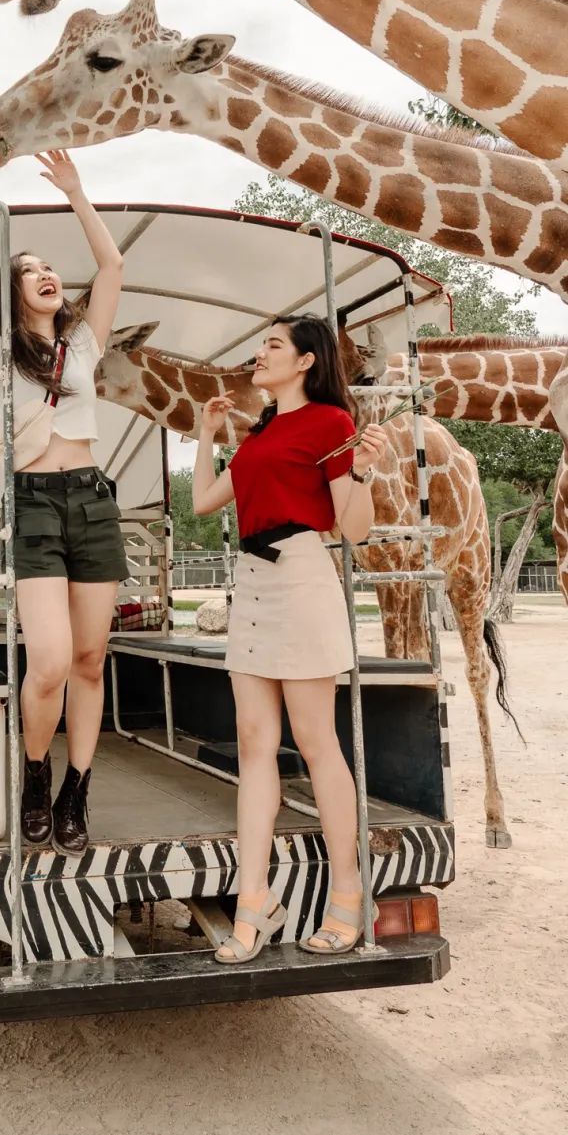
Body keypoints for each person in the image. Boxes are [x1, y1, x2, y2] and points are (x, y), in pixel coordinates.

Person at [0, 150, 126, 855]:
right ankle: (35, 773)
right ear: (10, 295)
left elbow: (113, 268)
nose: (45, 273)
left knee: (92, 660)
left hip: (93, 501)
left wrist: (77, 193)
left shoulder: (85, 343)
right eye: (29, 268)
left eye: (49, 268)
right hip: (34, 501)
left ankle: (77, 789)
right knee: (50, 663)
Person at [192, 314, 389, 961]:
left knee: (315, 741)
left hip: (303, 575)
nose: (260, 353)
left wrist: (363, 473)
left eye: (273, 344)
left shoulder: (332, 424)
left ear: (306, 360)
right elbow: (202, 502)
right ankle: (255, 904)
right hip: (251, 586)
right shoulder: (263, 431)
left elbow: (352, 529)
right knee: (254, 744)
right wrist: (206, 435)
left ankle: (350, 895)